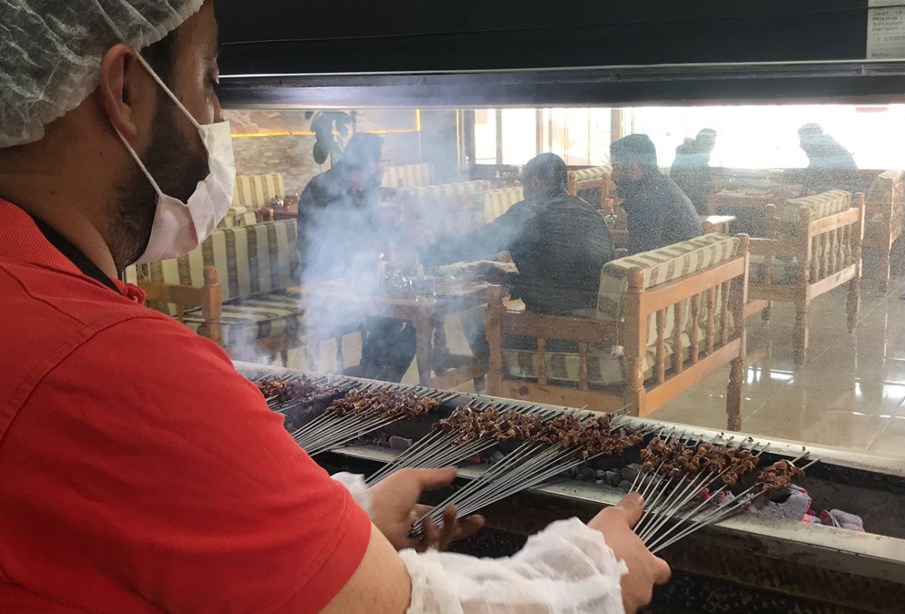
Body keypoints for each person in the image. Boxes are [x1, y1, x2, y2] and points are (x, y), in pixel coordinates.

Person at [0, 2, 670, 612]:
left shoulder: (37, 298)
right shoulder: (115, 370)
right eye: (210, 80)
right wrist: (588, 571)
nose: (217, 117)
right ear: (126, 90)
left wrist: (337, 522)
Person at [423, 153, 615, 362]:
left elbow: (475, 244)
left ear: (536, 182)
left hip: (562, 330)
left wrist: (424, 255)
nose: (523, 191)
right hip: (599, 327)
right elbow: (561, 273)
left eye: (524, 184)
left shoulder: (528, 213)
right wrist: (508, 277)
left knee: (475, 320)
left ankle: (508, 380)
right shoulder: (588, 210)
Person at [298, 133, 417, 383]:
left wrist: (397, 242)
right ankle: (372, 387)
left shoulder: (368, 189)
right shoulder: (323, 189)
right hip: (327, 283)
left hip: (363, 280)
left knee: (406, 321)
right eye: (385, 160)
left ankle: (373, 385)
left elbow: (375, 234)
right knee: (394, 320)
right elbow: (319, 248)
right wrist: (365, 255)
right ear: (370, 163)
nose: (386, 166)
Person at [610, 134, 703, 254]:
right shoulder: (662, 185)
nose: (612, 176)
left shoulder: (645, 201)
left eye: (616, 167)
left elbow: (641, 256)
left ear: (635, 167)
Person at [797, 123, 861, 193]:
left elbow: (819, 184)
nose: (801, 145)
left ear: (816, 139)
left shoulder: (831, 156)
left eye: (804, 140)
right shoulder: (826, 154)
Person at [670, 128, 718, 214]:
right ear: (701, 142)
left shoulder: (686, 155)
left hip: (680, 206)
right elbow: (695, 187)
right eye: (711, 144)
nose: (712, 148)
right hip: (691, 208)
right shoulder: (695, 160)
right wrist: (712, 185)